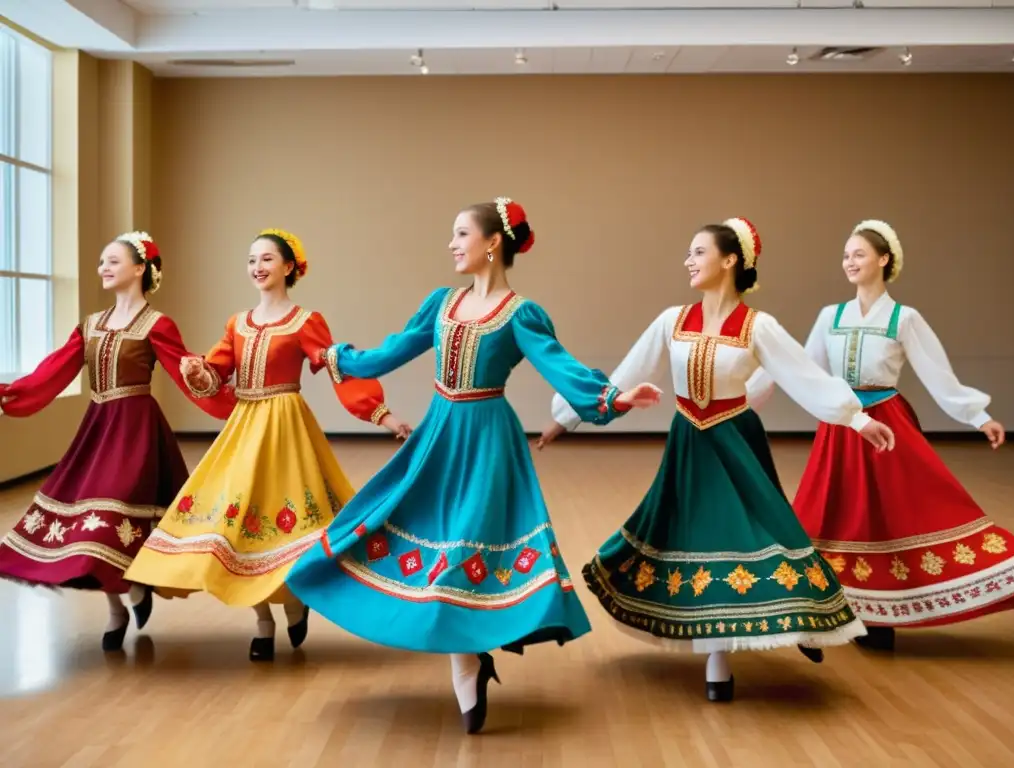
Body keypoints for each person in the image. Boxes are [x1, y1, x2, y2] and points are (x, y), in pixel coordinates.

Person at [285, 198, 662, 734]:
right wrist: (341, 358)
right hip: (439, 434)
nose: (452, 243)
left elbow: (561, 366)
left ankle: (468, 663)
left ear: (492, 243)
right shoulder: (442, 304)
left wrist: (613, 398)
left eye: (462, 233)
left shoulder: (520, 314)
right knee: (403, 527)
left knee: (465, 548)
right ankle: (470, 659)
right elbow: (393, 351)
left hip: (488, 440)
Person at [537, 217, 896, 702]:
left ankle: (794, 621)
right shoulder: (672, 320)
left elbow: (803, 376)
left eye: (699, 252)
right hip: (689, 441)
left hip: (735, 439)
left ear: (730, 261)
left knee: (761, 532)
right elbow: (626, 371)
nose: (689, 260)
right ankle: (717, 657)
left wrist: (856, 419)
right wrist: (569, 415)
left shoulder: (757, 325)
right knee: (695, 536)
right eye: (688, 252)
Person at [123, 228, 411, 662]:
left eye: (267, 260)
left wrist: (381, 414)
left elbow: (339, 371)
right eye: (251, 260)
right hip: (244, 428)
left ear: (289, 267)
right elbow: (216, 370)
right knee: (236, 525)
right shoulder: (237, 323)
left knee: (289, 524)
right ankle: (262, 621)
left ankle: (294, 603)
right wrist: (198, 372)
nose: (257, 268)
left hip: (286, 430)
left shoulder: (305, 322)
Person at [745, 219, 1014, 650]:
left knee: (891, 518)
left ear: (884, 260)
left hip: (887, 424)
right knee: (831, 515)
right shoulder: (829, 316)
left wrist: (977, 415)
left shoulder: (903, 318)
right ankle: (825, 610)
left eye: (858, 254)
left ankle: (881, 616)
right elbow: (797, 368)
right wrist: (740, 402)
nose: (849, 262)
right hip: (842, 425)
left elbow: (936, 373)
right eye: (845, 255)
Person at [0, 231, 236, 652]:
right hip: (97, 429)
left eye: (112, 261)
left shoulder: (156, 324)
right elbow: (52, 373)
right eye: (101, 262)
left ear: (140, 269)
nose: (103, 269)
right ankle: (117, 608)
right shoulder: (91, 324)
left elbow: (188, 373)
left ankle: (138, 587)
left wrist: (232, 403)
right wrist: (9, 395)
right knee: (87, 525)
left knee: (112, 521)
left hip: (137, 433)